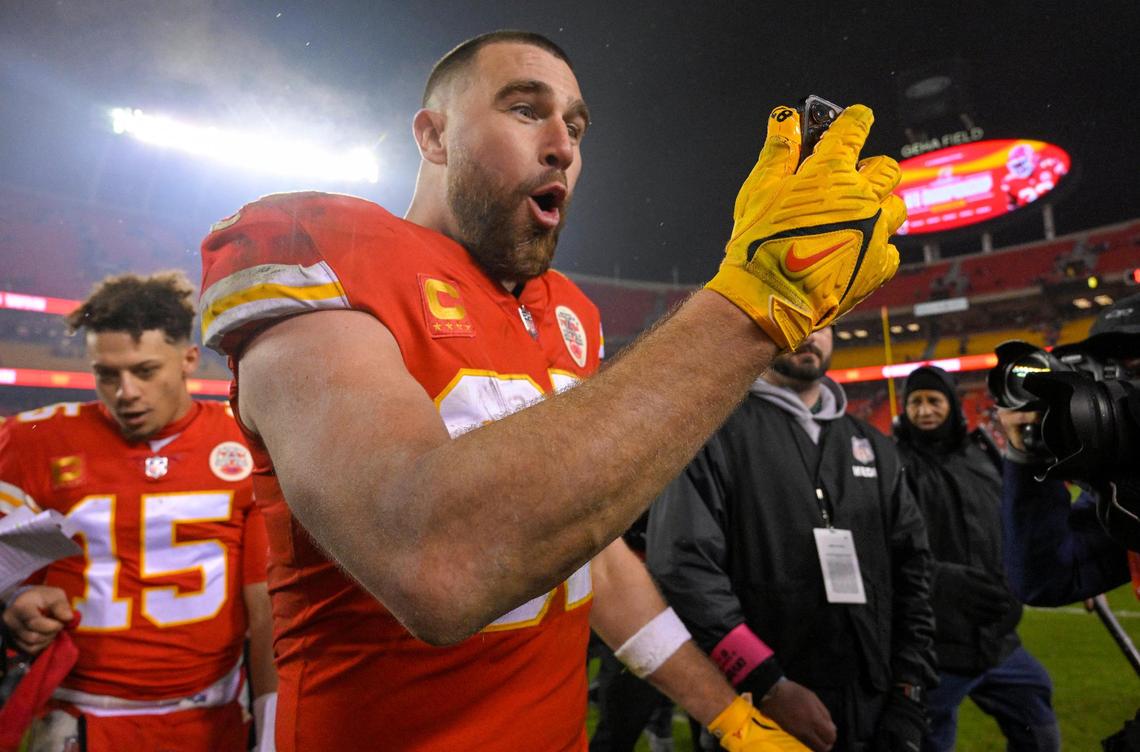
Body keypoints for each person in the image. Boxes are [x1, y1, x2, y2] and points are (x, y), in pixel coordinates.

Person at [197, 29, 906, 751]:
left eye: (575, 125)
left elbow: (590, 554)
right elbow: (434, 562)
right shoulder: (317, 246)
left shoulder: (569, 312)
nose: (562, 145)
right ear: (435, 136)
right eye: (525, 109)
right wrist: (751, 307)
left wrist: (728, 716)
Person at [0, 272, 276, 751]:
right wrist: (13, 601)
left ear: (189, 359)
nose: (125, 392)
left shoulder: (242, 441)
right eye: (107, 374)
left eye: (145, 371)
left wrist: (272, 729)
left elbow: (268, 608)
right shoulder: (31, 441)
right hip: (70, 718)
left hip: (207, 720)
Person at [646, 326, 937, 752]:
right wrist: (766, 682)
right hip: (758, 709)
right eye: (796, 318)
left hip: (874, 705)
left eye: (824, 322)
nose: (810, 333)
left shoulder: (873, 446)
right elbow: (683, 567)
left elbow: (913, 572)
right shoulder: (711, 433)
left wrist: (908, 692)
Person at [894, 366, 1058, 751]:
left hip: (998, 639)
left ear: (952, 403)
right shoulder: (893, 464)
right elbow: (886, 547)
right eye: (915, 402)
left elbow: (1016, 520)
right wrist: (942, 583)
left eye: (933, 400)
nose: (924, 410)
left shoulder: (981, 455)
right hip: (935, 648)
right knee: (932, 740)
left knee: (1038, 721)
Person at [999, 293, 1140, 604]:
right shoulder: (1123, 491)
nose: (1124, 391)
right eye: (1110, 373)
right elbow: (1046, 578)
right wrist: (1029, 453)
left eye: (1136, 371)